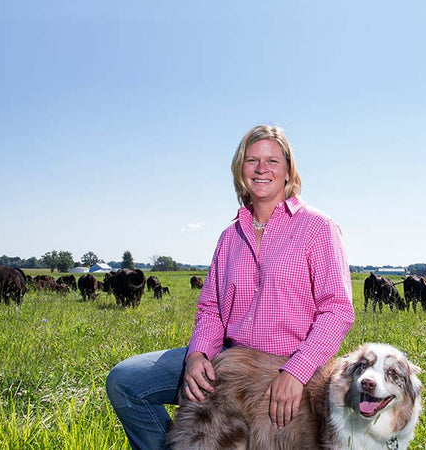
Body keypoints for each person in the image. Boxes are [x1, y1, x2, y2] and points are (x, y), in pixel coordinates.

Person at [105, 125, 355, 449]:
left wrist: (297, 371)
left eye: (272, 161)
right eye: (252, 160)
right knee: (126, 382)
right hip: (230, 359)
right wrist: (197, 355)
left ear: (288, 169)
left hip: (283, 365)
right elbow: (210, 307)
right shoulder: (230, 236)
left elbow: (337, 310)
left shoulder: (317, 227)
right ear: (241, 170)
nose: (262, 169)